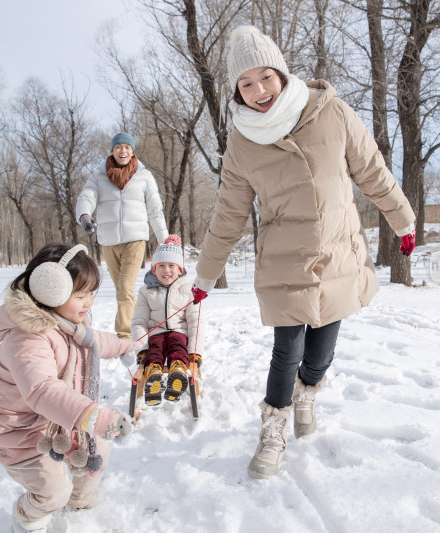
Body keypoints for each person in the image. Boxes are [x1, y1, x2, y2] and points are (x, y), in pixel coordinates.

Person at [190, 26, 417, 480]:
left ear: (281, 73)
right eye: (245, 84)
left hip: (336, 252)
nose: (258, 92)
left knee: (320, 353)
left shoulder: (331, 112)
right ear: (236, 91)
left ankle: (308, 392)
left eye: (265, 78)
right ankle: (273, 430)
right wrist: (204, 275)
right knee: (286, 350)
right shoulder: (241, 141)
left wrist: (403, 219)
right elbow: (229, 214)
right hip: (284, 259)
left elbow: (371, 170)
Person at [0, 243, 141, 533]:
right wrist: (96, 417)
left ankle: (80, 501)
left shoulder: (69, 323)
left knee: (98, 451)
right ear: (50, 291)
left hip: (51, 420)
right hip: (14, 429)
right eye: (80, 295)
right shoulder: (27, 337)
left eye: (91, 293)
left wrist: (127, 346)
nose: (88, 302)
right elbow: (42, 390)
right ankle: (28, 519)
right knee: (52, 491)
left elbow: (96, 341)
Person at [76, 132, 169, 339]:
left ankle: (126, 335)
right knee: (121, 290)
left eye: (127, 147)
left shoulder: (144, 175)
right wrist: (84, 215)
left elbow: (155, 209)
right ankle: (140, 323)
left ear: (132, 150)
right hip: (109, 241)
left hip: (135, 239)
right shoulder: (99, 174)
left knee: (125, 288)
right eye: (118, 147)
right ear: (112, 150)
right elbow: (87, 196)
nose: (123, 150)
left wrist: (164, 240)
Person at [132, 234, 204, 405]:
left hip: (180, 332)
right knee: (155, 348)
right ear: (153, 269)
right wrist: (141, 349)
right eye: (161, 266)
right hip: (155, 332)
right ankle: (154, 376)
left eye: (172, 265)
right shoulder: (145, 292)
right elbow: (139, 322)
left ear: (180, 269)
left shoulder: (189, 290)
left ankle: (178, 370)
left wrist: (195, 352)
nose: (166, 270)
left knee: (177, 344)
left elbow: (196, 322)